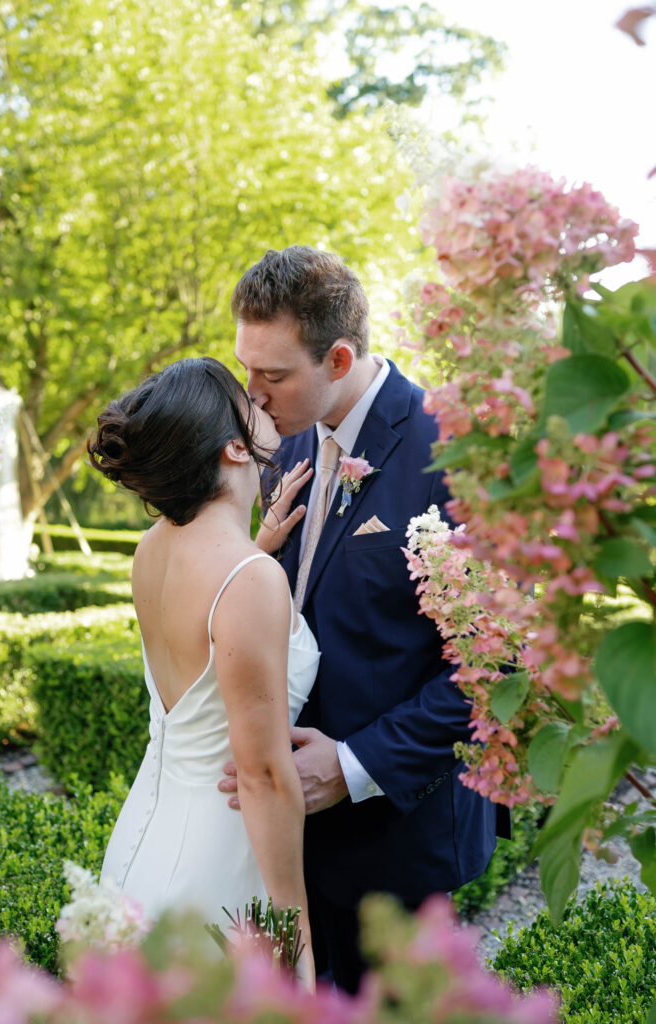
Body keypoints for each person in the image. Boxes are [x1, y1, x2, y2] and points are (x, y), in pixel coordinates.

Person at [219, 246, 500, 994]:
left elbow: (495, 667)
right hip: (288, 834)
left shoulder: (453, 454)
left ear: (338, 358)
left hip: (399, 844)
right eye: (248, 369)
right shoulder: (284, 444)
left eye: (272, 375)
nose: (253, 394)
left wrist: (348, 768)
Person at [90, 357, 319, 989]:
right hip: (218, 864)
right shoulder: (247, 579)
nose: (261, 402)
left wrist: (259, 545)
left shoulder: (153, 549)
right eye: (247, 403)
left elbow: (202, 623)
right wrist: (291, 931)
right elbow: (264, 775)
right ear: (234, 449)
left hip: (143, 835)